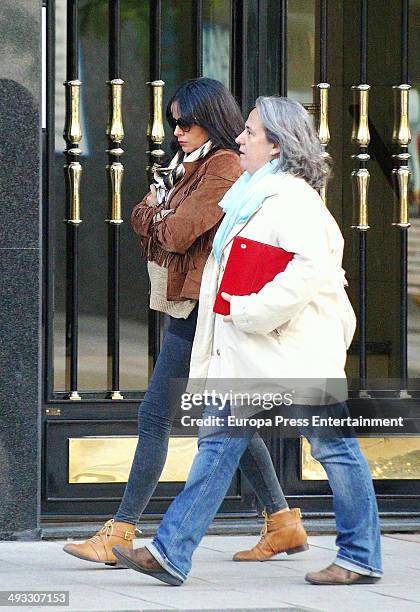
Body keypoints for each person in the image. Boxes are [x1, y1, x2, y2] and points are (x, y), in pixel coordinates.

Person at [112, 96, 383, 586]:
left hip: (293, 353)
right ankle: (172, 553)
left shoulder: (292, 200)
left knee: (334, 449)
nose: (240, 137)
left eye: (251, 133)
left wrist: (246, 313)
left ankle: (360, 556)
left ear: (276, 146)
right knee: (216, 448)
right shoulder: (254, 195)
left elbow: (306, 272)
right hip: (250, 351)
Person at [63, 80, 307, 566]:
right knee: (230, 418)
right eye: (174, 121)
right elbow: (142, 216)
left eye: (186, 122)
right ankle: (282, 522)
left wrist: (158, 210)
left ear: (212, 120)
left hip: (203, 305)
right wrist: (157, 211)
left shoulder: (222, 168)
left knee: (157, 413)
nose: (177, 131)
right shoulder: (192, 164)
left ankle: (121, 530)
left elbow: (173, 231)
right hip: (194, 302)